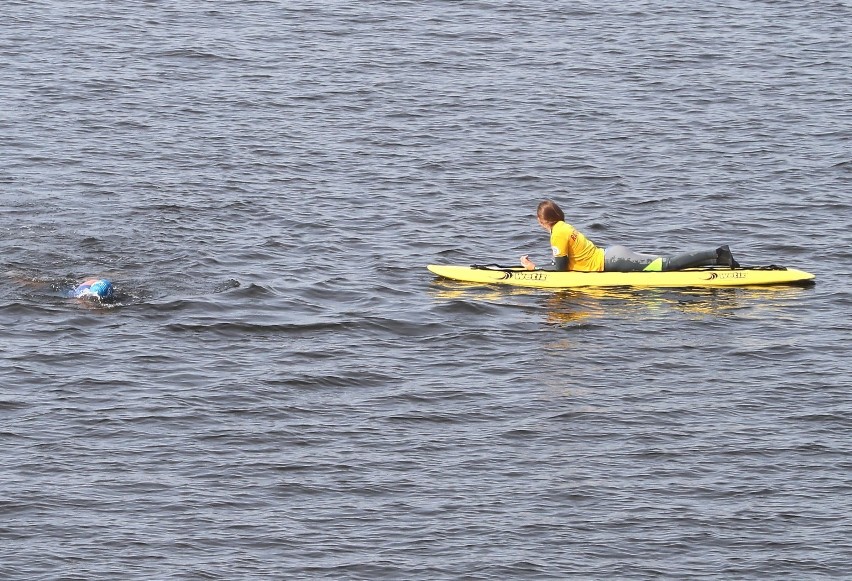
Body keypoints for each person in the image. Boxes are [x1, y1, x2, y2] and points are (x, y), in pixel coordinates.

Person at [520, 200, 740, 272]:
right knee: (666, 263)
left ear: (542, 221)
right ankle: (718, 260)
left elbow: (559, 271)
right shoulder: (564, 226)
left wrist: (534, 270)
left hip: (612, 260)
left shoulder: (557, 233)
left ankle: (718, 253)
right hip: (610, 255)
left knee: (667, 265)